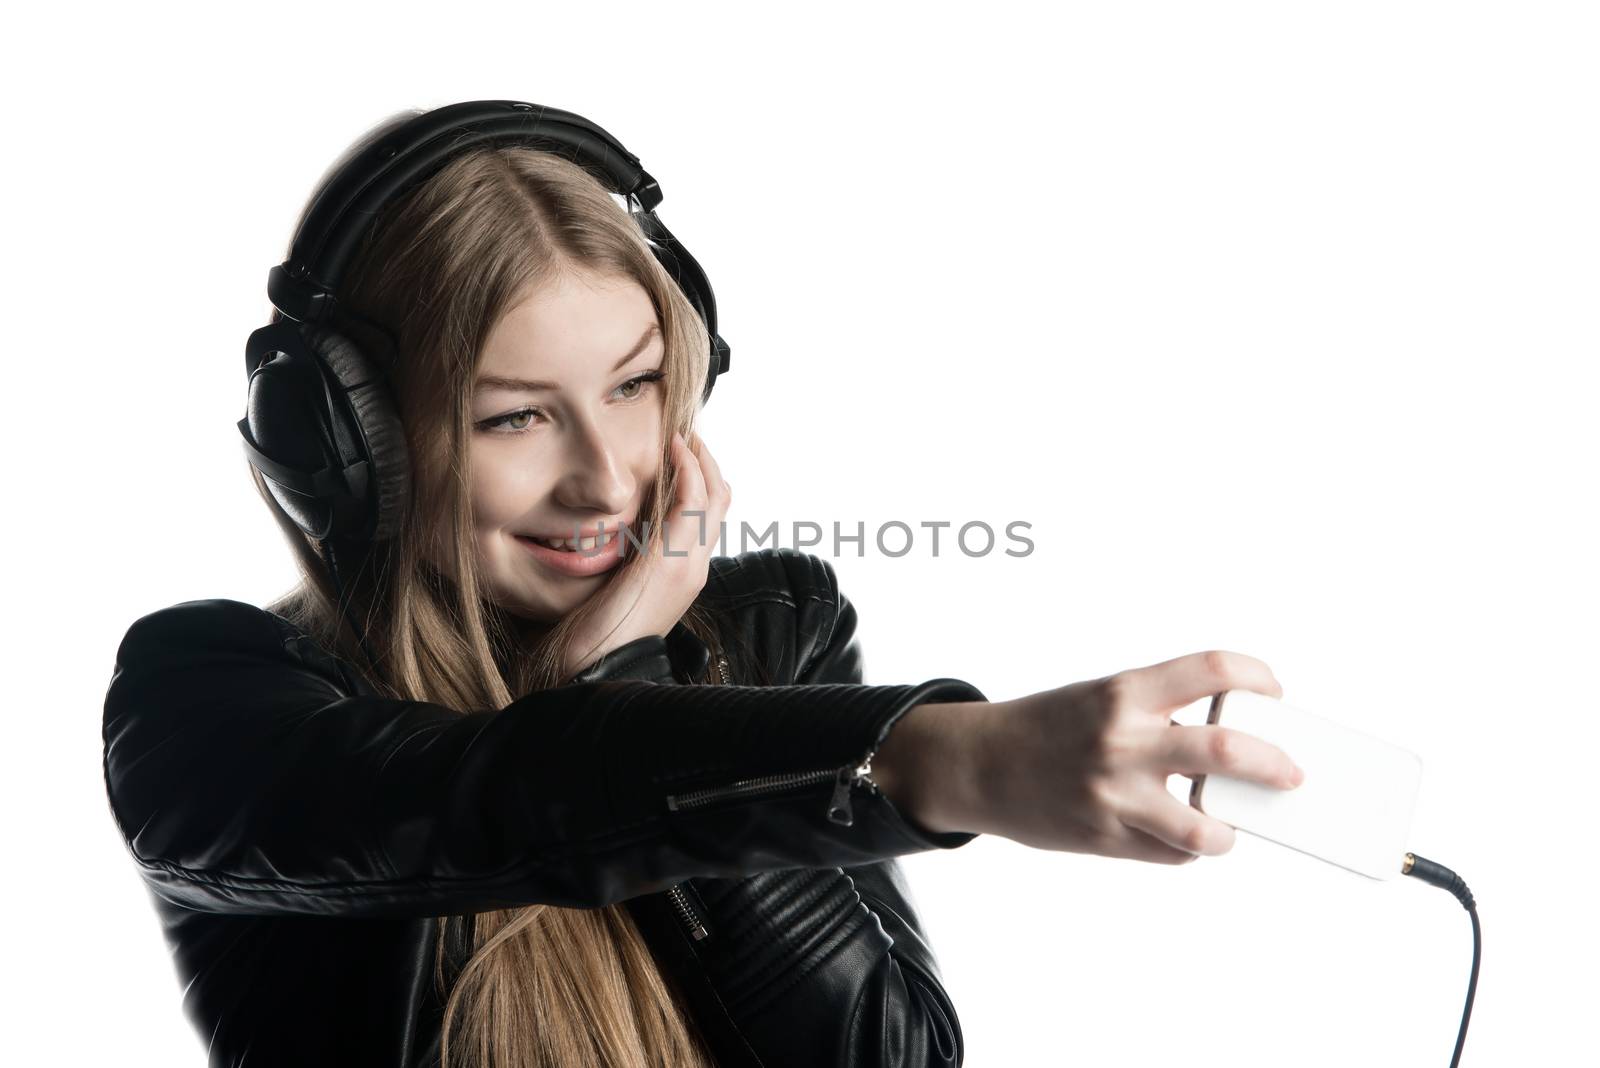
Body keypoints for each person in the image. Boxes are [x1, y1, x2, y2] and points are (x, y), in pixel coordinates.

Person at [101, 105, 1304, 1068]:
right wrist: (947, 759)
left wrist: (637, 674)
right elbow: (494, 800)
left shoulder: (768, 629)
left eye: (633, 386)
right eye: (514, 416)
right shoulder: (207, 706)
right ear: (351, 444)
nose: (609, 478)